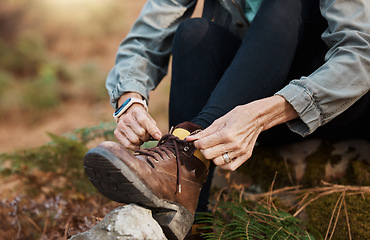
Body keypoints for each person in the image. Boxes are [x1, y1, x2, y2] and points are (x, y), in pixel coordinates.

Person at [84, 0, 370, 239]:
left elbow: (361, 54)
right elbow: (148, 35)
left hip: (339, 105)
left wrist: (262, 114)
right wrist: (129, 99)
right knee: (194, 34)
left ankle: (184, 159)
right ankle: (190, 208)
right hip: (243, 109)